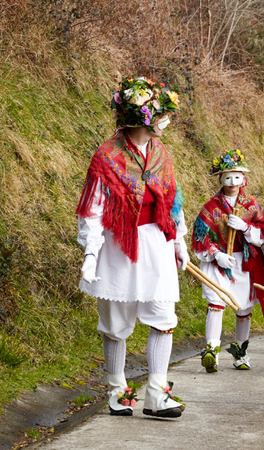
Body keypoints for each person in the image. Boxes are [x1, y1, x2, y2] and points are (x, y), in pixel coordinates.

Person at [77, 77, 187, 418]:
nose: (165, 120)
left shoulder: (161, 153)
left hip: (157, 242)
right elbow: (93, 208)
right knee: (115, 322)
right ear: (146, 117)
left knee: (164, 317)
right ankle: (117, 390)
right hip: (119, 244)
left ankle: (157, 392)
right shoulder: (107, 156)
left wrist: (179, 239)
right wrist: (90, 253)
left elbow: (172, 199)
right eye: (161, 113)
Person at [192, 150, 264, 372]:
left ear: (244, 179)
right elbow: (201, 236)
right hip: (219, 260)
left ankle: (241, 352)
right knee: (216, 304)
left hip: (244, 261)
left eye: (237, 177)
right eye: (227, 177)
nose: (232, 182)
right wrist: (216, 254)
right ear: (220, 179)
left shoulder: (252, 205)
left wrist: (246, 228)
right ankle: (211, 351)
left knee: (243, 308)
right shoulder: (211, 206)